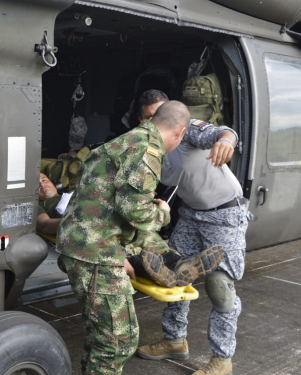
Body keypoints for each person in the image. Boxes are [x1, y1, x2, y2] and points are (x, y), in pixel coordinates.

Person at [56, 101, 195, 375]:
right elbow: (134, 210)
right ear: (179, 133)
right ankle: (170, 261)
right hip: (95, 252)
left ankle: (167, 260)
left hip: (91, 246)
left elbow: (109, 204)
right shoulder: (147, 148)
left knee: (104, 338)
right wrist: (163, 212)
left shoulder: (129, 140)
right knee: (118, 342)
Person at [135, 90, 250, 375]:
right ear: (142, 119)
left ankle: (222, 360)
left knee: (219, 286)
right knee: (171, 272)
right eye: (150, 116)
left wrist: (226, 140)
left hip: (225, 213)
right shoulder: (146, 143)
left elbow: (221, 132)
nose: (158, 120)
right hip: (191, 213)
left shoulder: (187, 132)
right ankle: (174, 340)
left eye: (162, 113)